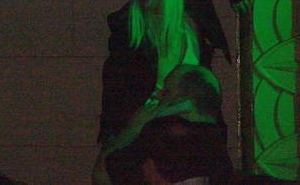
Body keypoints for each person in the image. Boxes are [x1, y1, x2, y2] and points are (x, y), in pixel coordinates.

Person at [97, 0, 250, 145]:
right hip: (152, 132)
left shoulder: (189, 7)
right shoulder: (129, 30)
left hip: (195, 126)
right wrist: (114, 134)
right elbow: (114, 87)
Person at [93, 64, 234, 185]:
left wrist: (133, 129)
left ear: (182, 102)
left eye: (166, 92)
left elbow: (101, 175)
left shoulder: (164, 139)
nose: (157, 98)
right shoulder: (218, 150)